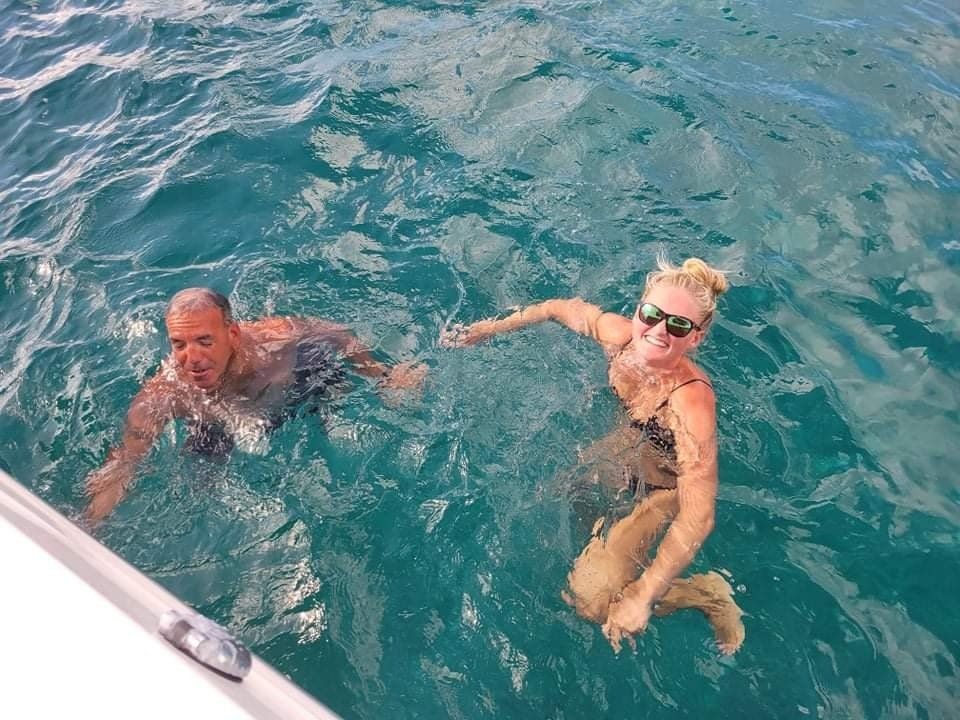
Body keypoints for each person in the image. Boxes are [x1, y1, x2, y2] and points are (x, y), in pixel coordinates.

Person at [441, 256, 744, 653]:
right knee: (550, 500)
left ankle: (706, 593)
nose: (658, 330)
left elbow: (698, 514)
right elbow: (556, 308)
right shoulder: (619, 339)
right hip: (621, 452)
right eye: (651, 314)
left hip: (660, 486)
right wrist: (490, 328)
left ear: (696, 337)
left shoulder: (691, 403)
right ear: (638, 310)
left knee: (590, 598)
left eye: (678, 324)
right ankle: (619, 567)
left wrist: (644, 595)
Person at [85, 288, 425, 525]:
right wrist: (91, 526)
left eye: (205, 341)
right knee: (200, 485)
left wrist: (382, 376)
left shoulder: (275, 339)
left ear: (232, 334)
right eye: (179, 344)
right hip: (220, 421)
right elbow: (124, 464)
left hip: (296, 388)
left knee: (343, 432)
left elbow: (339, 334)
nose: (193, 359)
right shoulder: (164, 395)